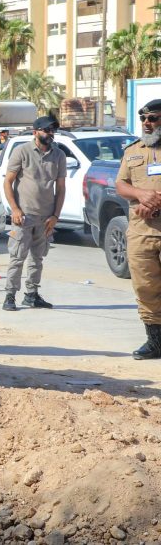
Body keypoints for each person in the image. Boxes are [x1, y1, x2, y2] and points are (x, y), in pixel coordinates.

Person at [1, 115, 65, 311]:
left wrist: (55, 216)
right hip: (24, 216)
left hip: (46, 218)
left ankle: (32, 295)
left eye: (52, 130)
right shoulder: (22, 152)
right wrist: (15, 209)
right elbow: (8, 182)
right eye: (46, 130)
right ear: (35, 132)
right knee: (17, 257)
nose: (50, 134)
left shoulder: (59, 155)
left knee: (37, 258)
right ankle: (10, 296)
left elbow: (61, 188)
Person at [117, 99, 161, 359]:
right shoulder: (133, 150)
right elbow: (121, 185)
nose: (147, 123)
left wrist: (154, 201)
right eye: (144, 119)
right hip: (141, 232)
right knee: (145, 288)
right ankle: (155, 342)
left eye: (153, 118)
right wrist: (140, 194)